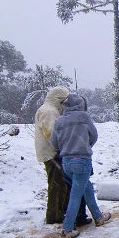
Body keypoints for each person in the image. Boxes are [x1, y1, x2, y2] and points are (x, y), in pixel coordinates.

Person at [50, 93, 111, 238]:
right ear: (80, 105)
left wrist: (67, 148)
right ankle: (67, 229)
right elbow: (94, 135)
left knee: (86, 188)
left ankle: (98, 217)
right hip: (81, 161)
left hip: (66, 162)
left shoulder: (59, 121)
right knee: (76, 195)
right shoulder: (83, 118)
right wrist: (84, 145)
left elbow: (54, 142)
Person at [34, 87, 89, 226]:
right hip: (51, 153)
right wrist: (64, 147)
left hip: (51, 151)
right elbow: (52, 134)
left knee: (61, 183)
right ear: (58, 99)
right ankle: (54, 215)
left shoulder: (48, 109)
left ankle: (61, 211)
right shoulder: (50, 111)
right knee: (56, 184)